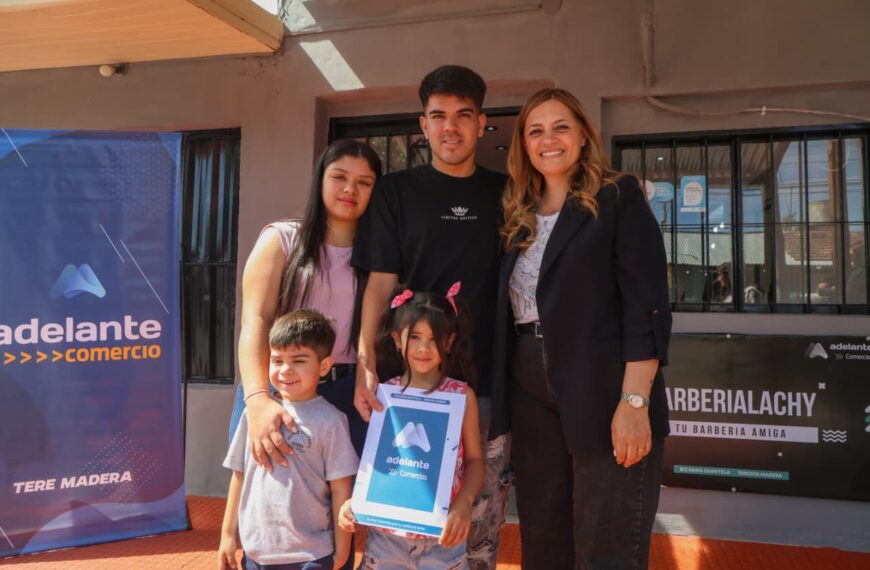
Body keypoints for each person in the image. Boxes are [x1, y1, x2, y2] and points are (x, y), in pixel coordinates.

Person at [490, 88, 672, 569]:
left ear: (583, 136)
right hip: (529, 389)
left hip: (603, 383)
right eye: (535, 131)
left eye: (561, 127)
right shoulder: (516, 213)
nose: (548, 140)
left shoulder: (617, 196)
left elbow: (646, 306)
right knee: (544, 537)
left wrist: (635, 403)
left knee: (606, 541)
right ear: (524, 146)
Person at [351, 65, 510, 570]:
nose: (451, 127)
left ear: (482, 122)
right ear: (423, 124)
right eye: (438, 116)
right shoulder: (395, 193)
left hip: (482, 382)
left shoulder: (507, 194)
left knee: (476, 525)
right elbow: (378, 282)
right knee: (401, 522)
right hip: (409, 386)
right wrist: (365, 361)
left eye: (464, 116)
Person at [229, 138, 381, 463]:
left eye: (363, 182)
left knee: (340, 509)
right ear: (320, 179)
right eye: (339, 177)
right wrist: (257, 398)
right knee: (262, 504)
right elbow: (254, 320)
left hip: (347, 392)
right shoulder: (281, 239)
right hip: (280, 387)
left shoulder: (380, 257)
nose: (349, 189)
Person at [339, 286, 485, 569]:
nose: (423, 348)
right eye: (414, 337)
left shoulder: (462, 397)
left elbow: (476, 461)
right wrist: (356, 501)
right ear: (397, 339)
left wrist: (464, 503)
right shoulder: (382, 394)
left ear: (450, 341)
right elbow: (376, 462)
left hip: (443, 540)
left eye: (434, 339)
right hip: (385, 541)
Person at [219, 309, 359, 570]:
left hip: (311, 555)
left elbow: (341, 488)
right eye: (277, 360)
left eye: (298, 360)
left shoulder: (332, 421)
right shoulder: (253, 415)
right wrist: (227, 536)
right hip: (257, 554)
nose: (285, 370)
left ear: (324, 366)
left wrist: (342, 551)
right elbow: (239, 475)